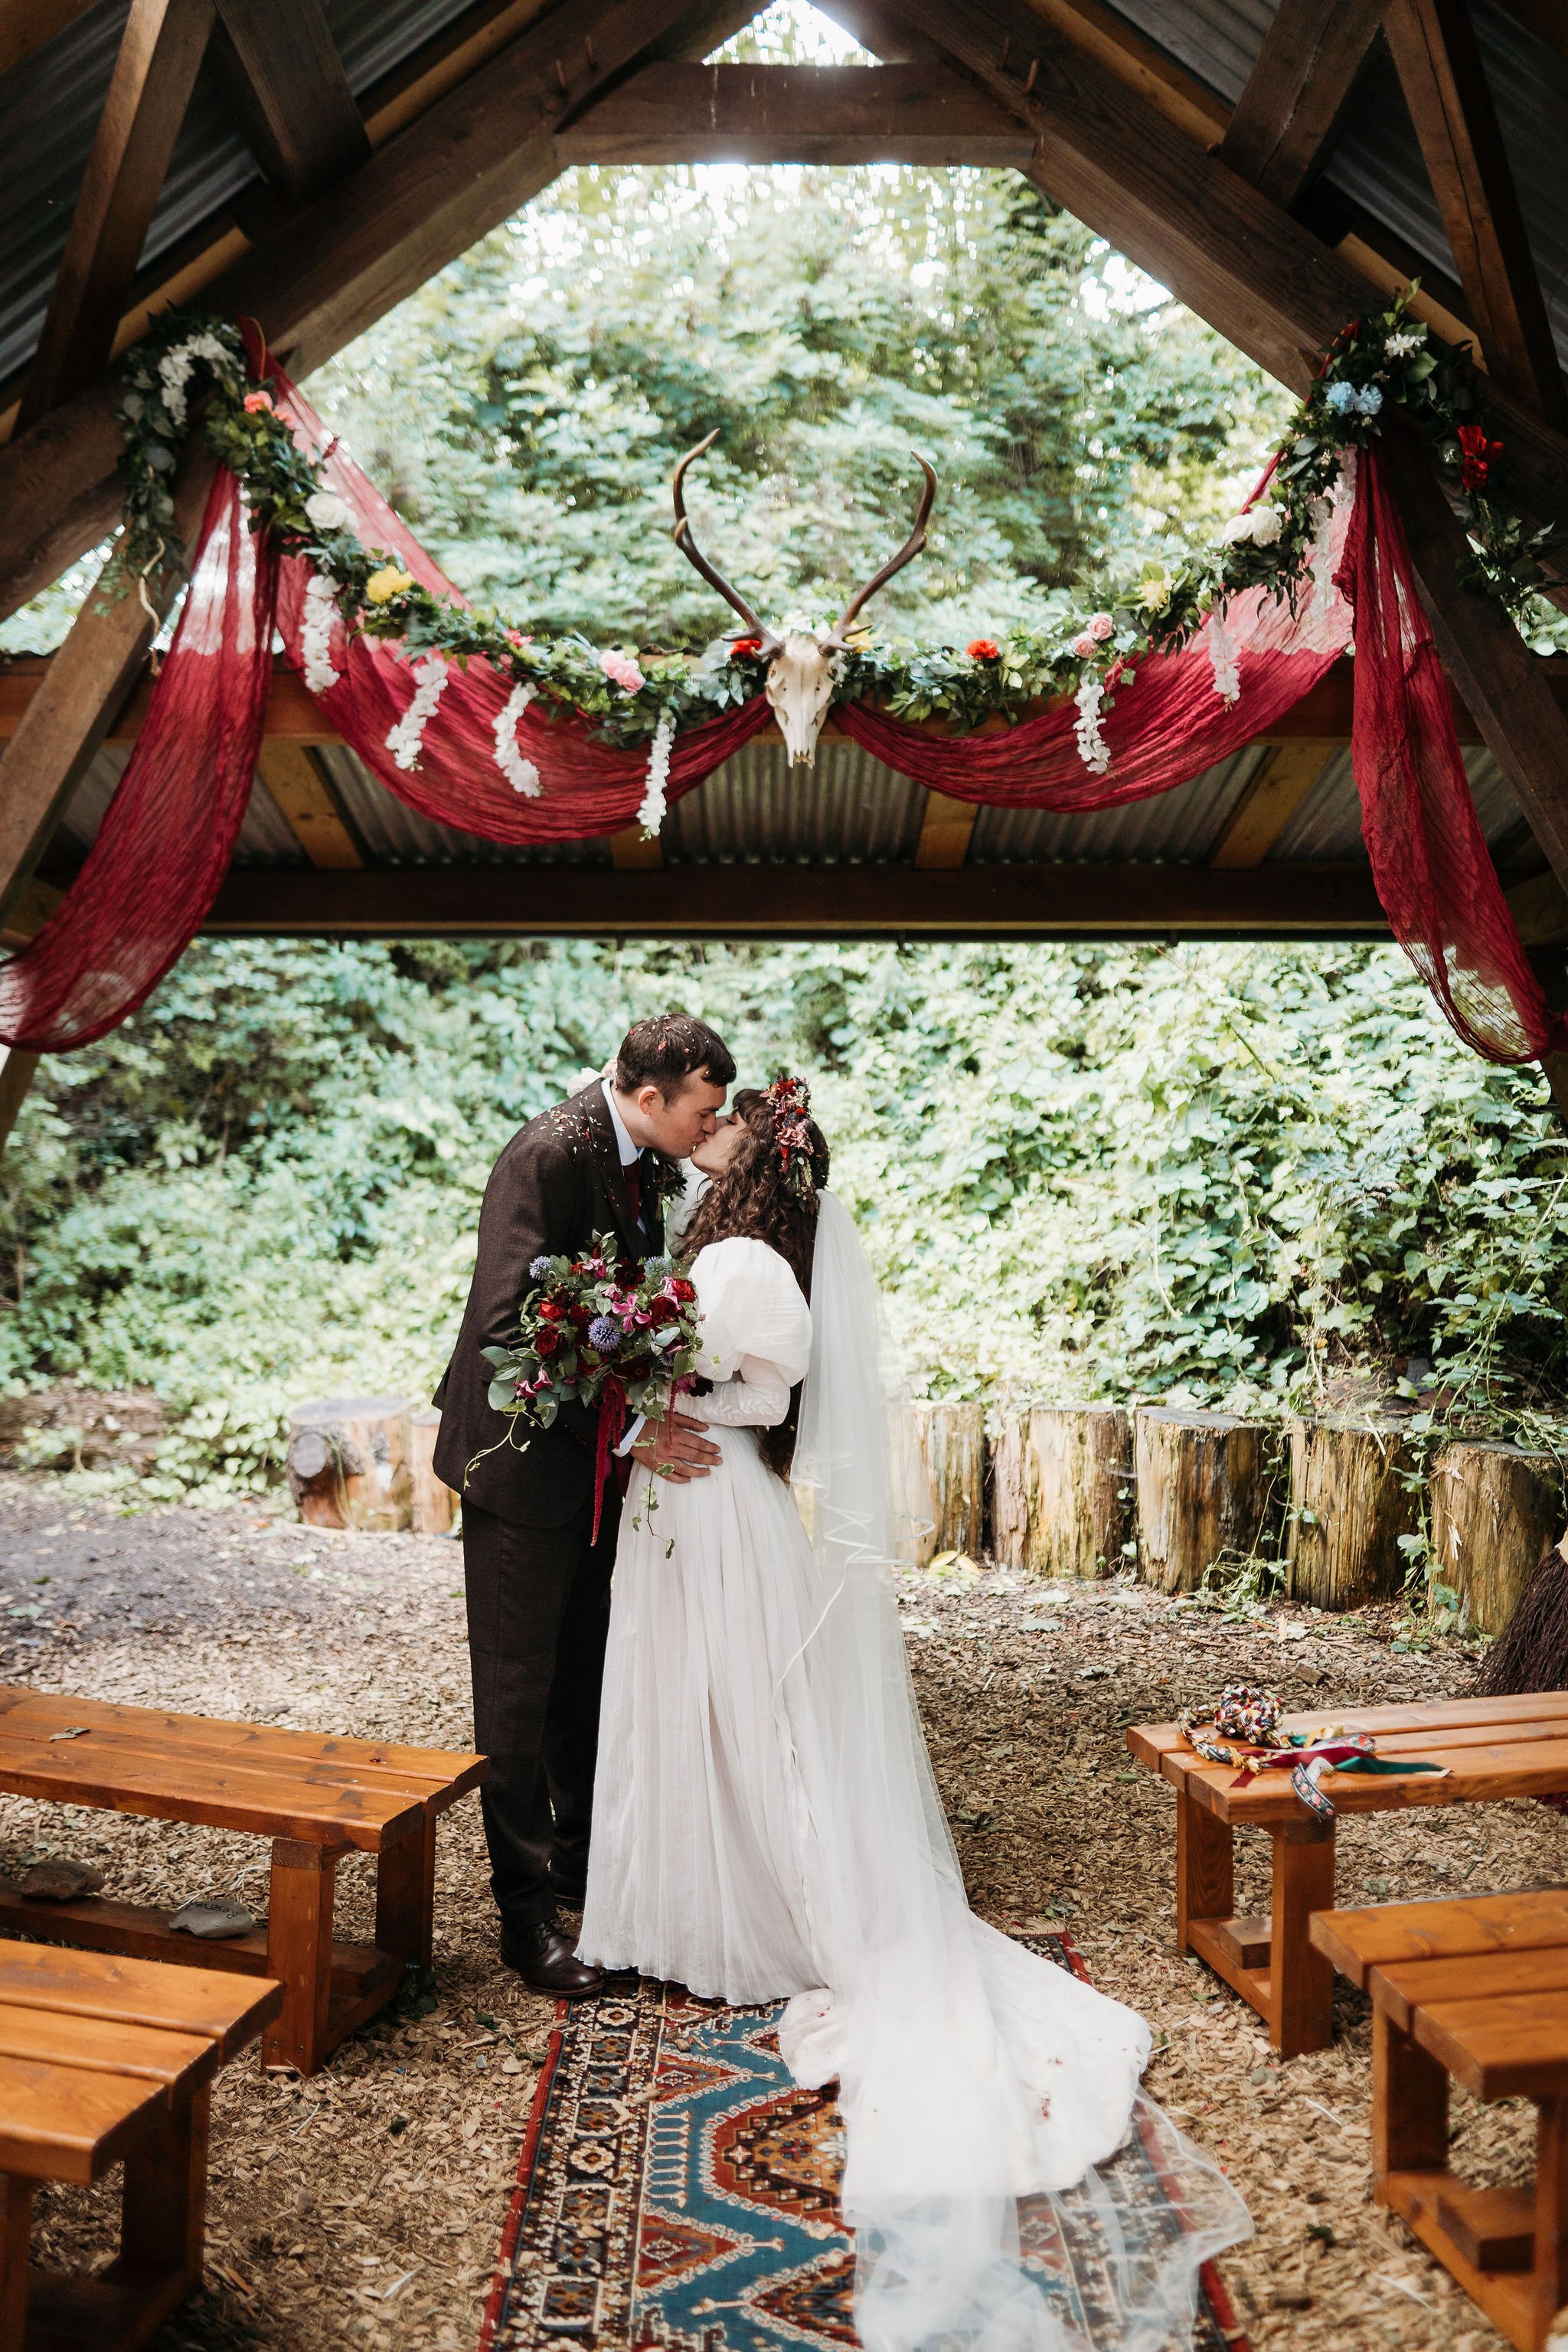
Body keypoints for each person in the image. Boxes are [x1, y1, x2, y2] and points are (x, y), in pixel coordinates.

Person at [580, 1080, 1250, 2352]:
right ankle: (672, 1894)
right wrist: (640, 1382)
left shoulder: (762, 1269)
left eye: (724, 1122)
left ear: (753, 1161)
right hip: (677, 1500)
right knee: (678, 1709)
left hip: (717, 1505)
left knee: (742, 1714)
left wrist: (666, 1386)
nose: (704, 1125)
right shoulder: (710, 1246)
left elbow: (763, 1401)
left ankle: (761, 1900)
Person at [431, 1014, 736, 1996]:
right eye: (704, 1107)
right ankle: (524, 1925)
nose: (709, 1122)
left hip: (594, 1468)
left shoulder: (642, 1153)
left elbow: (634, 1297)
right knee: (516, 1696)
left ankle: (580, 1871)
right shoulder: (546, 1155)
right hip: (522, 1470)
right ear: (649, 1097)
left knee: (584, 1675)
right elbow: (507, 1326)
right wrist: (633, 1427)